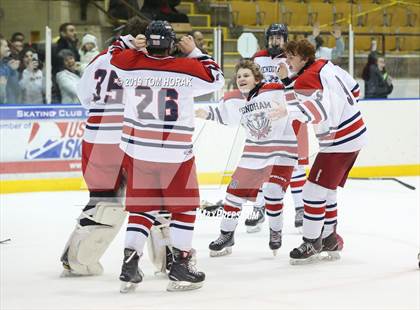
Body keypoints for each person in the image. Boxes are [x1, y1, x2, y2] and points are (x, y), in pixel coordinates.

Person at [110, 20, 224, 292]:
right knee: (183, 208)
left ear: (147, 42)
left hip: (138, 151)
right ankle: (181, 264)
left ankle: (129, 262)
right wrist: (195, 51)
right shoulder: (187, 68)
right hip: (175, 153)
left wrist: (130, 42)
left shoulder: (130, 64)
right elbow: (216, 77)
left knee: (142, 208)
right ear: (172, 44)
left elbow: (113, 54)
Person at [61, 17, 149, 277]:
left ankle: (75, 260)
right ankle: (171, 259)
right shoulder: (145, 61)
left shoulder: (100, 58)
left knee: (103, 203)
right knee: (154, 200)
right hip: (129, 140)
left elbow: (83, 95)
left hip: (96, 140)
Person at [273, 39, 366, 264]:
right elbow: (356, 90)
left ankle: (311, 242)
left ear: (304, 58)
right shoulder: (328, 65)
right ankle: (330, 238)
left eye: (292, 57)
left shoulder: (306, 78)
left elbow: (316, 112)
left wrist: (288, 108)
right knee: (327, 190)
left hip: (339, 141)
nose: (288, 61)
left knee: (312, 192)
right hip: (355, 133)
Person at [196, 59, 297, 257]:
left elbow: (297, 96)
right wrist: (206, 113)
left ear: (256, 77)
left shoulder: (273, 88)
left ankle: (275, 232)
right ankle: (227, 234)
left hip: (281, 150)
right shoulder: (234, 99)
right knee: (233, 195)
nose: (242, 79)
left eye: (246, 75)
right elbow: (225, 115)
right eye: (239, 76)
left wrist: (286, 79)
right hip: (253, 152)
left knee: (272, 191)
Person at [248, 23, 308, 232]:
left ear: (285, 39)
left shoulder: (293, 57)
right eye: (272, 38)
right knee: (262, 164)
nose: (275, 41)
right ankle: (259, 207)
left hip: (290, 115)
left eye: (279, 38)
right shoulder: (258, 57)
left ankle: (301, 209)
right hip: (265, 117)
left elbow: (300, 84)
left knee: (297, 165)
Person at [0, 36, 21, 104]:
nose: (8, 49)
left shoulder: (6, 66)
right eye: (5, 46)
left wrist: (13, 71)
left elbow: (15, 89)